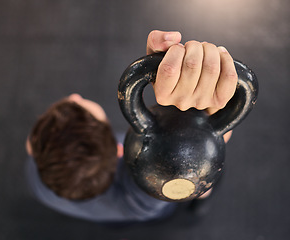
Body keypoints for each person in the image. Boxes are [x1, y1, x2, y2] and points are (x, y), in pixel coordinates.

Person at [25, 30, 238, 223]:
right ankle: (199, 204)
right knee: (203, 183)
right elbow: (193, 170)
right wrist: (199, 120)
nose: (74, 97)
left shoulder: (37, 178)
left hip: (106, 214)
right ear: (119, 150)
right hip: (155, 211)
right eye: (86, 110)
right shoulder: (146, 193)